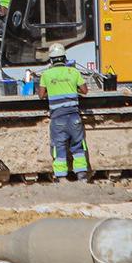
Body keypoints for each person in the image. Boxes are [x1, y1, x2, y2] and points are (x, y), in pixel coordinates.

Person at [37, 46, 90, 181]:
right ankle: (82, 176)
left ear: (51, 60)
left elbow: (41, 95)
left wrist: (53, 90)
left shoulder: (46, 75)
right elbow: (85, 90)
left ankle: (61, 177)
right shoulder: (73, 72)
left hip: (58, 117)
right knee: (78, 146)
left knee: (59, 147)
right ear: (65, 58)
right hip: (74, 117)